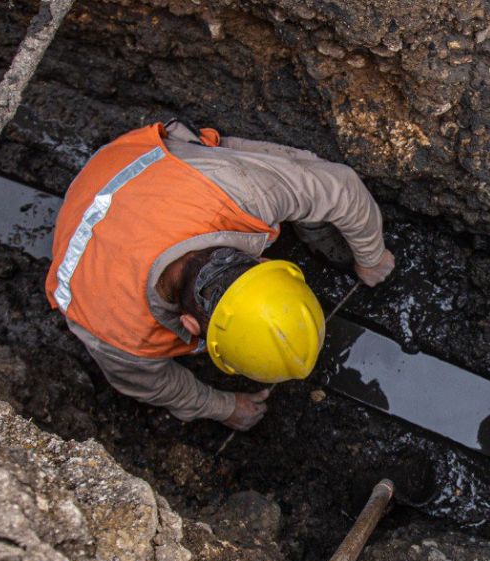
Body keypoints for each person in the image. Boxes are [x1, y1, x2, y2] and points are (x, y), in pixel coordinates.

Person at [45, 121, 395, 431]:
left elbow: (341, 186)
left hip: (144, 168)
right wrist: (222, 408)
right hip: (98, 197)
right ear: (190, 326)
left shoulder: (241, 193)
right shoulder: (115, 334)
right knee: (290, 183)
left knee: (304, 175)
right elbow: (154, 385)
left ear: (259, 264)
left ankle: (314, 228)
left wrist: (371, 256)